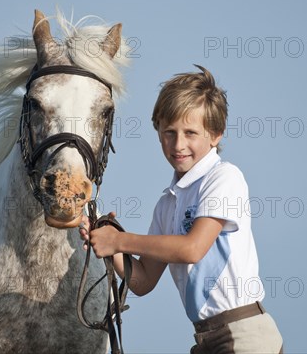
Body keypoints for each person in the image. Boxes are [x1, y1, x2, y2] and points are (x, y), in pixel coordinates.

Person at [80, 65, 283, 354]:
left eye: (191, 133)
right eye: (169, 132)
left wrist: (120, 240)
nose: (178, 144)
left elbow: (192, 248)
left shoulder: (223, 177)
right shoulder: (167, 204)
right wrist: (108, 245)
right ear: (158, 131)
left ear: (216, 135)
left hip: (245, 333)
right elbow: (143, 280)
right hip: (206, 338)